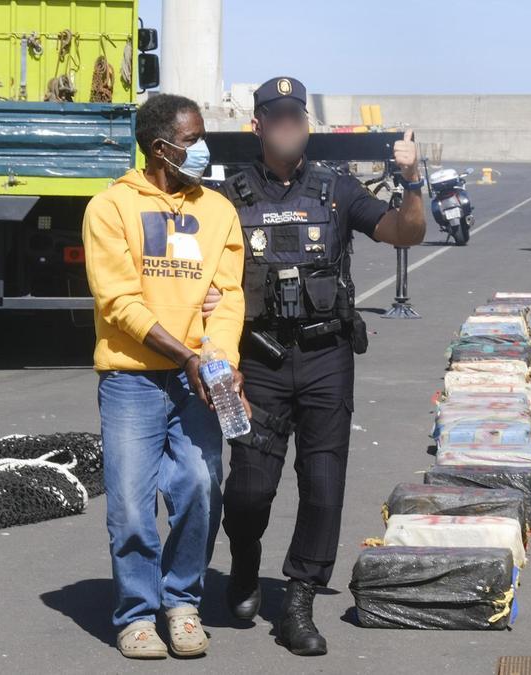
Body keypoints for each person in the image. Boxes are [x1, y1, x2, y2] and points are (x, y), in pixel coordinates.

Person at [208, 76, 425, 656]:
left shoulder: (336, 190)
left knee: (323, 485)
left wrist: (412, 180)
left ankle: (299, 599)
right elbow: (196, 268)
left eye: (295, 116)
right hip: (254, 361)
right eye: (274, 116)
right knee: (249, 490)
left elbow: (406, 231)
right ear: (256, 125)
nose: (286, 123)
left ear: (307, 124)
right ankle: (246, 560)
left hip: (327, 355)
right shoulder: (226, 197)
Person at [82, 93, 246, 660]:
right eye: (194, 139)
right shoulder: (110, 209)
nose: (203, 149)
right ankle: (135, 614)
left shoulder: (219, 211)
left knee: (200, 488)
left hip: (201, 377)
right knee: (130, 503)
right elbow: (119, 303)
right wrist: (187, 355)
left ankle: (181, 603)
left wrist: (218, 358)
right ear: (161, 147)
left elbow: (228, 296)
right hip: (134, 380)